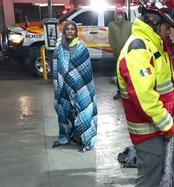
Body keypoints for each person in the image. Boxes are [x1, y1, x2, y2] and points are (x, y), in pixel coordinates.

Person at [116, 0, 174, 187]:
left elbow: (159, 83)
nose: (170, 32)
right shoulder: (139, 49)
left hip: (155, 128)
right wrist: (168, 125)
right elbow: (144, 96)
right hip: (148, 131)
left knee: (155, 176)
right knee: (148, 179)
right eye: (168, 26)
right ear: (154, 21)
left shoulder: (154, 45)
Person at [52, 21, 98, 152]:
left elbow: (85, 69)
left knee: (83, 110)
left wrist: (75, 79)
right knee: (65, 110)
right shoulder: (59, 46)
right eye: (68, 29)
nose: (70, 31)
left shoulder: (81, 46)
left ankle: (85, 139)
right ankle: (67, 135)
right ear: (64, 31)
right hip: (64, 86)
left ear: (76, 31)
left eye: (72, 29)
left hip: (81, 86)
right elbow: (57, 68)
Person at [108, 5, 132, 100]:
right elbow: (111, 39)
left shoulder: (128, 24)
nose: (119, 17)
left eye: (121, 14)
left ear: (123, 15)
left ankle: (129, 91)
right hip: (117, 53)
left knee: (128, 73)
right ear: (115, 15)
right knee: (118, 73)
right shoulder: (111, 25)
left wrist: (129, 50)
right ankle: (119, 91)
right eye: (118, 15)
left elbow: (131, 37)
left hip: (128, 54)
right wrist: (115, 49)